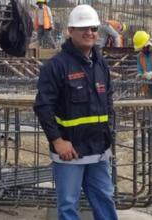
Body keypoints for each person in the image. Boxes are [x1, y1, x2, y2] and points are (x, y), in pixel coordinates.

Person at [33, 4, 118, 220]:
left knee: (104, 199)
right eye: (83, 28)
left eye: (93, 28)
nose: (89, 33)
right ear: (70, 31)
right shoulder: (56, 66)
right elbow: (43, 106)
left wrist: (109, 133)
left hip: (98, 150)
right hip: (70, 152)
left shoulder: (101, 64)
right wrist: (58, 141)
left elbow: (108, 102)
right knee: (68, 205)